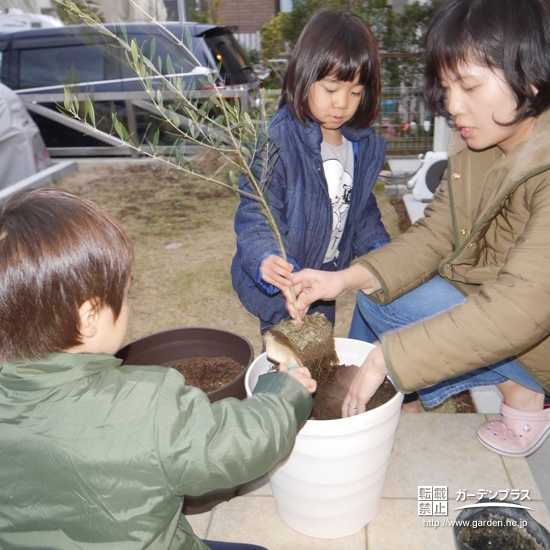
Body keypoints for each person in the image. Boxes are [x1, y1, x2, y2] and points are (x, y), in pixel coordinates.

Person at [286, 0, 550, 458]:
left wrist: (391, 357)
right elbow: (434, 236)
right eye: (447, 87)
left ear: (529, 75)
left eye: (467, 86)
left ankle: (523, 392)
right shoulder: (481, 143)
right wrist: (342, 278)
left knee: (387, 317)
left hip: (530, 336)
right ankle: (369, 403)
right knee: (375, 291)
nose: (451, 106)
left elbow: (523, 305)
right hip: (483, 301)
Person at [0, 188, 316, 549]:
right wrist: (282, 394)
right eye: (125, 294)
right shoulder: (144, 406)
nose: (128, 304)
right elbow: (234, 447)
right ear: (88, 318)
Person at [231, 9, 389, 335]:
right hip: (283, 286)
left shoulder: (357, 146)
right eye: (331, 89)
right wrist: (266, 256)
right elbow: (257, 210)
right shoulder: (277, 141)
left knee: (318, 352)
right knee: (286, 363)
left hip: (324, 281)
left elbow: (359, 212)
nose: (342, 104)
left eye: (355, 92)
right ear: (303, 77)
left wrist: (380, 252)